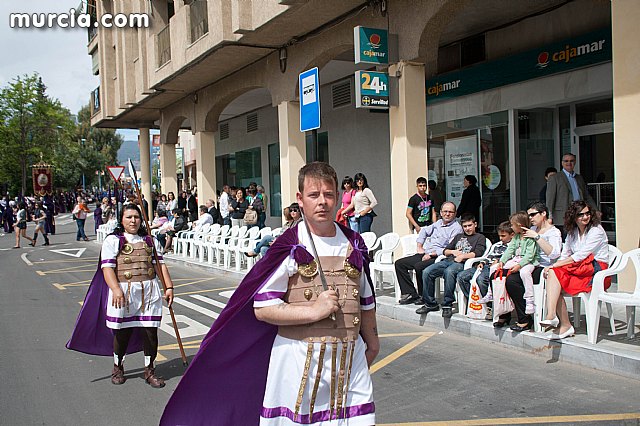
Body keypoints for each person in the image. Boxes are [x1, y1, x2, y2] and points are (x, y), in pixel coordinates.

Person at [161, 162, 378, 425]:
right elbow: (263, 308)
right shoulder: (289, 245)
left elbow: (365, 300)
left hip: (349, 360)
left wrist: (373, 341)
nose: (322, 202)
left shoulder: (354, 243)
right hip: (299, 362)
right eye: (314, 195)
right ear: (300, 199)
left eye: (329, 194)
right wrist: (313, 310)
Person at [67, 203, 175, 387]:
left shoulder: (151, 240)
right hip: (124, 292)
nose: (133, 220)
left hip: (149, 291)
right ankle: (118, 367)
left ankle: (150, 371)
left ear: (141, 219)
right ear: (122, 219)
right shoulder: (114, 240)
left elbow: (159, 265)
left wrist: (169, 287)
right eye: (129, 217)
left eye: (136, 217)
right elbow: (107, 268)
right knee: (122, 333)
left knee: (150, 332)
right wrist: (116, 289)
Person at [541, 200, 609, 340]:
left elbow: (580, 255)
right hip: (579, 268)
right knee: (554, 278)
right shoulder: (572, 232)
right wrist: (554, 266)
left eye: (587, 213)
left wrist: (555, 265)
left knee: (555, 276)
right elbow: (565, 253)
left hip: (596, 271)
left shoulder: (597, 230)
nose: (585, 217)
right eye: (581, 215)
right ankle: (556, 319)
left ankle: (558, 320)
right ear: (574, 217)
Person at [417, 214, 486, 319]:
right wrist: (453, 252)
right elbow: (446, 250)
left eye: (469, 225)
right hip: (448, 260)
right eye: (465, 226)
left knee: (449, 272)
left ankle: (447, 304)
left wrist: (463, 256)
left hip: (463, 263)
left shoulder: (480, 237)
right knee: (427, 271)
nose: (467, 228)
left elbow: (478, 252)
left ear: (475, 224)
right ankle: (430, 303)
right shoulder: (459, 237)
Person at [395, 201, 462, 305]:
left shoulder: (456, 228)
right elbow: (424, 231)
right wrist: (419, 246)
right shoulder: (438, 223)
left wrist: (431, 254)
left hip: (441, 257)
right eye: (445, 211)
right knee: (400, 263)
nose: (447, 214)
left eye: (450, 212)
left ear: (455, 213)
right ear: (441, 212)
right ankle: (410, 293)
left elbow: (449, 248)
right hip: (426, 253)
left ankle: (423, 296)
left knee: (419, 266)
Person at [479, 212, 540, 317]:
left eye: (512, 225)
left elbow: (530, 255)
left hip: (528, 262)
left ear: (519, 225)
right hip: (516, 259)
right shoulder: (516, 237)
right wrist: (502, 261)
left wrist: (519, 265)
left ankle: (529, 299)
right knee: (494, 268)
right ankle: (490, 292)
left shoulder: (530, 238)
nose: (511, 227)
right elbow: (510, 250)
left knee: (525, 273)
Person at [456, 221, 513, 320]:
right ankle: (474, 301)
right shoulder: (497, 245)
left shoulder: (513, 246)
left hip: (498, 268)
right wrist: (482, 263)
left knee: (481, 279)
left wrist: (499, 261)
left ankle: (490, 306)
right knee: (462, 276)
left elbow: (511, 258)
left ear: (511, 235)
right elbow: (488, 256)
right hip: (486, 266)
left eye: (503, 236)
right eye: (499, 236)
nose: (501, 238)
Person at [546, 153, 596, 237]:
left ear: (575, 162)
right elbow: (550, 199)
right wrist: (549, 217)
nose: (569, 163)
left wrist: (595, 209)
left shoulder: (579, 178)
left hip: (579, 214)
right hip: (562, 217)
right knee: (566, 241)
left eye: (571, 161)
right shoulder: (555, 178)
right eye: (566, 161)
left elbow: (587, 196)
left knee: (579, 238)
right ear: (562, 163)